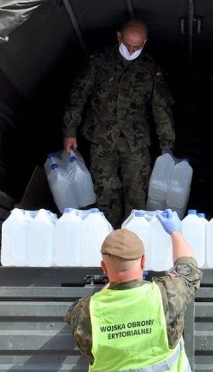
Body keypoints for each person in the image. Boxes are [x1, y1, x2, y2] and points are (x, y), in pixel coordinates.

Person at [65, 209, 201, 372]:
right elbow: (188, 268)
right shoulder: (165, 296)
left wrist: (112, 283)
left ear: (104, 268)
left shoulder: (85, 312)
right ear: (143, 262)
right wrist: (176, 232)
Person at [62, 19, 176, 228]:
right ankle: (109, 239)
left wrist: (166, 147)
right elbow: (78, 95)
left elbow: (161, 110)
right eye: (127, 44)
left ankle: (133, 241)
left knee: (137, 192)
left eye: (137, 46)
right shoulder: (98, 61)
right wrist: (70, 131)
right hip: (102, 139)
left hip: (136, 142)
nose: (131, 50)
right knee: (105, 190)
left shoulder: (150, 69)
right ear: (118, 36)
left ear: (145, 42)